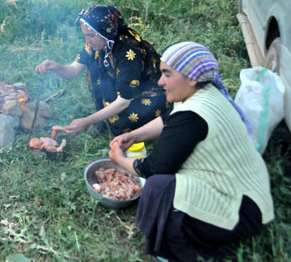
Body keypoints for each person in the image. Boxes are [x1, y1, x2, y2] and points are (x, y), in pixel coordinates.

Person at [109, 42, 274, 261]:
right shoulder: (203, 92)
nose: (160, 82)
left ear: (191, 77)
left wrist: (119, 160)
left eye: (167, 75)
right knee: (165, 183)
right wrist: (135, 135)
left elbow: (154, 168)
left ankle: (184, 247)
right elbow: (168, 119)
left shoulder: (193, 115)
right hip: (248, 192)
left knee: (159, 188)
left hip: (242, 211)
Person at [35, 5, 167, 136]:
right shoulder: (97, 44)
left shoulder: (128, 51)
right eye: (85, 35)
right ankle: (104, 117)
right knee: (95, 69)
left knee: (122, 122)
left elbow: (124, 101)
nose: (87, 41)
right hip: (124, 89)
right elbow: (73, 70)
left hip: (148, 93)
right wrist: (56, 67)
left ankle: (113, 121)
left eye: (91, 35)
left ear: (105, 33)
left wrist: (87, 121)